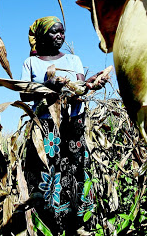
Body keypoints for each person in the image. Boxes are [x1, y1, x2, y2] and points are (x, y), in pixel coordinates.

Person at [20, 16, 106, 235]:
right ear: (41, 36)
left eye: (62, 32)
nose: (60, 36)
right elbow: (23, 92)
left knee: (74, 170)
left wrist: (92, 83)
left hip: (72, 122)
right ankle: (49, 224)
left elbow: (80, 89)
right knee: (47, 172)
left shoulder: (73, 60)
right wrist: (48, 84)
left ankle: (76, 224)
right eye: (54, 32)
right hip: (46, 126)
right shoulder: (31, 63)